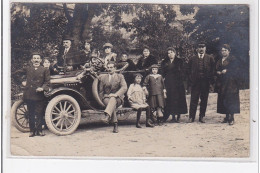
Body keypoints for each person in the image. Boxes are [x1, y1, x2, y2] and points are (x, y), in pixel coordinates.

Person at [18, 51, 50, 137]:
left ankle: (39, 131)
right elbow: (16, 74)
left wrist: (42, 88)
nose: (36, 60)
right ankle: (32, 131)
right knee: (31, 113)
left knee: (39, 113)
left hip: (39, 95)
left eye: (38, 58)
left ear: (41, 60)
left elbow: (47, 82)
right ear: (32, 60)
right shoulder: (28, 69)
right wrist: (22, 82)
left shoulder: (45, 70)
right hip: (29, 94)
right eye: (34, 58)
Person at [187, 42, 215, 123]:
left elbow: (213, 71)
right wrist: (191, 80)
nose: (201, 49)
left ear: (205, 48)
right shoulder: (192, 58)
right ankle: (191, 117)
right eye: (200, 47)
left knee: (204, 99)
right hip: (195, 83)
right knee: (193, 99)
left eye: (203, 47)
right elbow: (188, 70)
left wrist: (211, 82)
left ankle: (201, 116)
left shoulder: (210, 58)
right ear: (197, 49)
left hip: (205, 83)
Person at [99, 61, 127, 133]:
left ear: (115, 68)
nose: (109, 69)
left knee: (113, 99)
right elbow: (101, 91)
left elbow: (124, 87)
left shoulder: (120, 76)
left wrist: (116, 94)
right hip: (106, 98)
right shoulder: (103, 77)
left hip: (118, 98)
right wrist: (101, 100)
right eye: (108, 67)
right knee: (112, 103)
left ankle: (107, 116)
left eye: (111, 67)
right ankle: (115, 124)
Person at [161, 47, 188, 123]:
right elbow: (162, 72)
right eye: (168, 53)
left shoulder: (180, 61)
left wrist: (182, 81)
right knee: (170, 99)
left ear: (174, 53)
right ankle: (172, 116)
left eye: (171, 52)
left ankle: (178, 116)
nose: (170, 54)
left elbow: (184, 72)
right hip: (169, 83)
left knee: (178, 99)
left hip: (178, 83)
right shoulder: (165, 62)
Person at [215, 44, 240, 125]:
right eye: (222, 50)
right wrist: (217, 72)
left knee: (231, 99)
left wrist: (227, 71)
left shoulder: (233, 59)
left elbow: (236, 69)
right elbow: (216, 69)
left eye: (225, 50)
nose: (223, 52)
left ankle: (232, 118)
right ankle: (226, 116)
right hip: (222, 82)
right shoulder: (219, 60)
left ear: (229, 51)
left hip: (231, 83)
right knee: (224, 98)